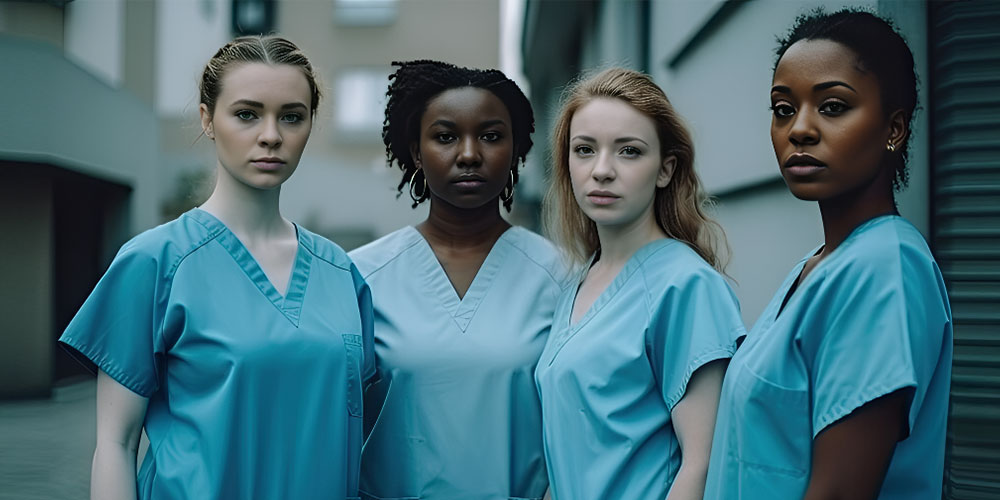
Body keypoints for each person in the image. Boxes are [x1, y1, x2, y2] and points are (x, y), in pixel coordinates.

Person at [59, 35, 375, 499]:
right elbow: (115, 443)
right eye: (247, 114)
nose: (271, 135)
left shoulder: (341, 273)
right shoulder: (155, 262)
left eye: (292, 116)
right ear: (208, 119)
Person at [704, 9, 953, 499]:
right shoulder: (816, 267)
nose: (799, 129)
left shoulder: (884, 269)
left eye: (833, 107)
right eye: (782, 109)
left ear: (894, 129)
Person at [348, 60, 564, 500]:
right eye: (446, 137)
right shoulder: (359, 277)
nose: (469, 154)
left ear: (517, 147)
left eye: (490, 136)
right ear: (415, 150)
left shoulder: (564, 276)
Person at [534, 67, 745, 500]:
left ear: (665, 170)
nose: (602, 170)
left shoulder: (687, 286)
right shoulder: (578, 284)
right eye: (584, 150)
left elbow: (703, 464)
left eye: (628, 151)